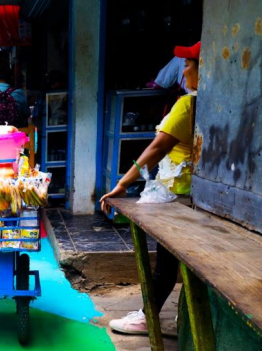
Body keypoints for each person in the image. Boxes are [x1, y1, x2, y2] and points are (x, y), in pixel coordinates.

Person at [100, 42, 201, 335]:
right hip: (195, 197)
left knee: (166, 265)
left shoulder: (188, 105)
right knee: (185, 265)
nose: (184, 71)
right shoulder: (209, 105)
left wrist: (122, 184)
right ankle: (183, 319)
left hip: (177, 198)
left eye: (188, 65)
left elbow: (157, 148)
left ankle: (148, 317)